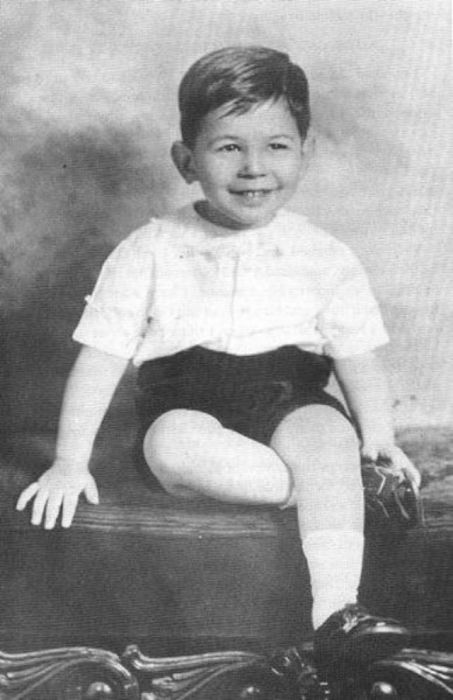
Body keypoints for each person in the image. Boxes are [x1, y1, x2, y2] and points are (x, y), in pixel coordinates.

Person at [16, 46, 420, 676]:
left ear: (306, 152)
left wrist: (378, 439)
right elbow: (99, 360)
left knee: (327, 435)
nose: (254, 167)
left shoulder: (323, 254)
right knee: (173, 446)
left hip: (291, 394)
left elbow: (356, 354)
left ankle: (338, 612)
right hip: (187, 400)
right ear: (186, 161)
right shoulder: (149, 249)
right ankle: (334, 487)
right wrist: (69, 463)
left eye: (277, 146)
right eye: (229, 147)